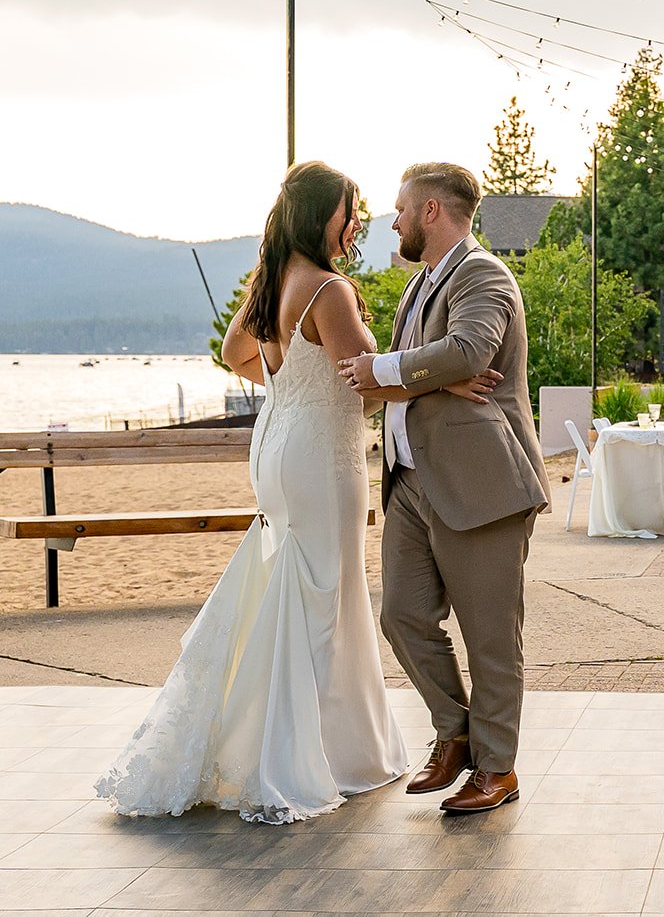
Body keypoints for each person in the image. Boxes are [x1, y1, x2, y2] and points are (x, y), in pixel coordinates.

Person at [96, 163, 423, 823]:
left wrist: (290, 378)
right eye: (348, 212)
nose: (356, 224)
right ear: (320, 218)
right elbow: (370, 379)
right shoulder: (329, 289)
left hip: (277, 448)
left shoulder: (274, 280)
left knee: (291, 590)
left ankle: (281, 741)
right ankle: (319, 754)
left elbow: (233, 350)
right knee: (325, 600)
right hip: (319, 459)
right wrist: (442, 376)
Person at [338, 163, 549, 816]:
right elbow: (424, 371)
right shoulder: (420, 285)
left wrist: (393, 367)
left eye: (400, 210)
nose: (393, 221)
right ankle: (456, 731)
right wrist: (426, 375)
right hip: (410, 481)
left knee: (490, 636)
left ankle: (497, 768)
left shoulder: (483, 274)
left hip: (479, 482)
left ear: (432, 210)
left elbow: (469, 351)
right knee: (401, 614)